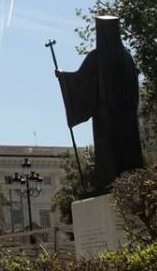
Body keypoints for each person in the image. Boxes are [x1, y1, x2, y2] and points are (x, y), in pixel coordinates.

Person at [56, 16, 144, 193]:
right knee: (127, 152)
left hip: (105, 117)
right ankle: (132, 183)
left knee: (108, 152)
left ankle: (108, 183)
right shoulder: (127, 58)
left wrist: (63, 77)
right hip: (127, 119)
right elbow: (134, 89)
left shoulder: (97, 57)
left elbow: (80, 81)